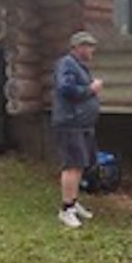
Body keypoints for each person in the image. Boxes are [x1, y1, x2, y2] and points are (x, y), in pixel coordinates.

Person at [52, 31, 103, 228]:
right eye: (88, 46)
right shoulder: (66, 64)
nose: (92, 50)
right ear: (78, 48)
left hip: (82, 124)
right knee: (72, 165)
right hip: (70, 123)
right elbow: (66, 89)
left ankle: (73, 202)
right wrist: (91, 89)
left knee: (80, 164)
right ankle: (66, 209)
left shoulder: (79, 66)